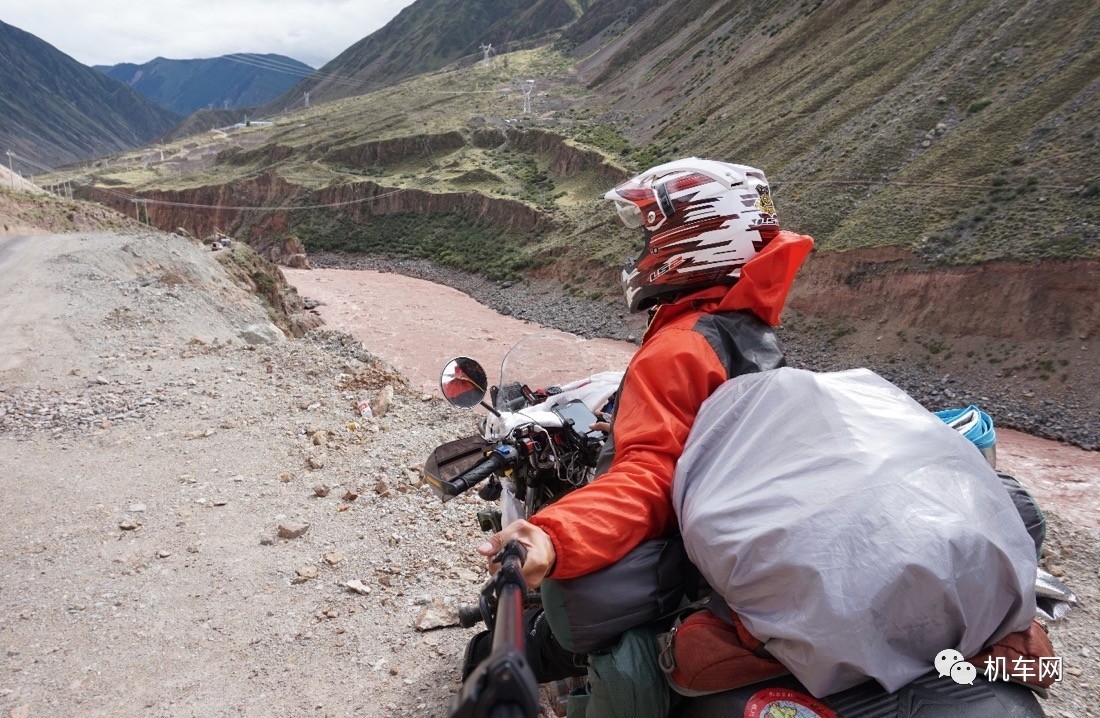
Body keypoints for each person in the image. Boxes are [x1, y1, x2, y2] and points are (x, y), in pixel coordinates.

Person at [476, 157, 814, 588]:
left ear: (694, 237)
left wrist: (552, 535)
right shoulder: (742, 326)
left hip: (687, 552)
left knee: (565, 618)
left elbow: (651, 477)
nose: (642, 250)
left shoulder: (680, 347)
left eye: (650, 234)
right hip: (745, 531)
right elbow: (700, 432)